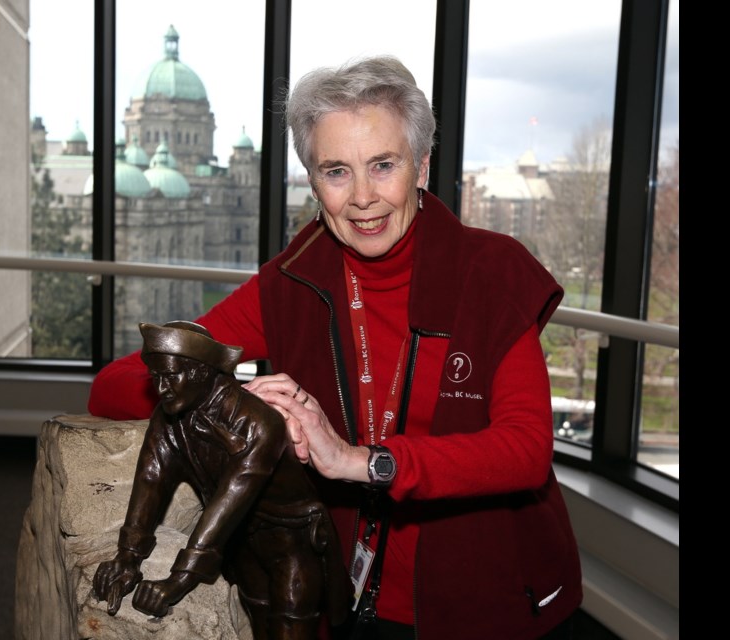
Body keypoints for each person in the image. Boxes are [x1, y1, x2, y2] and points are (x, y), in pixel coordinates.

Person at [89, 56, 582, 639]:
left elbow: (525, 451)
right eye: (336, 171)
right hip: (341, 597)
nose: (363, 198)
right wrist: (246, 406)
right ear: (312, 179)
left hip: (486, 598)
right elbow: (117, 381)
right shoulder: (292, 281)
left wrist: (360, 460)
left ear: (421, 167)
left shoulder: (492, 271)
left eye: (383, 165)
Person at [93, 321, 350, 640]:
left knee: (290, 625)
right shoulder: (170, 416)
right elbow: (152, 477)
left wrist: (178, 580)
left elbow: (228, 501)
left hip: (291, 543)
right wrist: (127, 557)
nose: (161, 389)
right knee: (259, 622)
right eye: (156, 377)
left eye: (170, 376)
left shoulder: (258, 423)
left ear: (201, 371)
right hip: (242, 543)